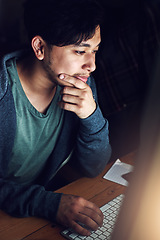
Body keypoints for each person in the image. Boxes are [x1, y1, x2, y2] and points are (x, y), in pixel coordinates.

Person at [0, 0, 111, 236]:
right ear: (40, 47)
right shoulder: (4, 91)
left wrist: (91, 116)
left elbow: (94, 167)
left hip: (32, 215)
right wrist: (48, 204)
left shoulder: (79, 84)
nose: (91, 65)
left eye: (95, 50)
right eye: (80, 51)